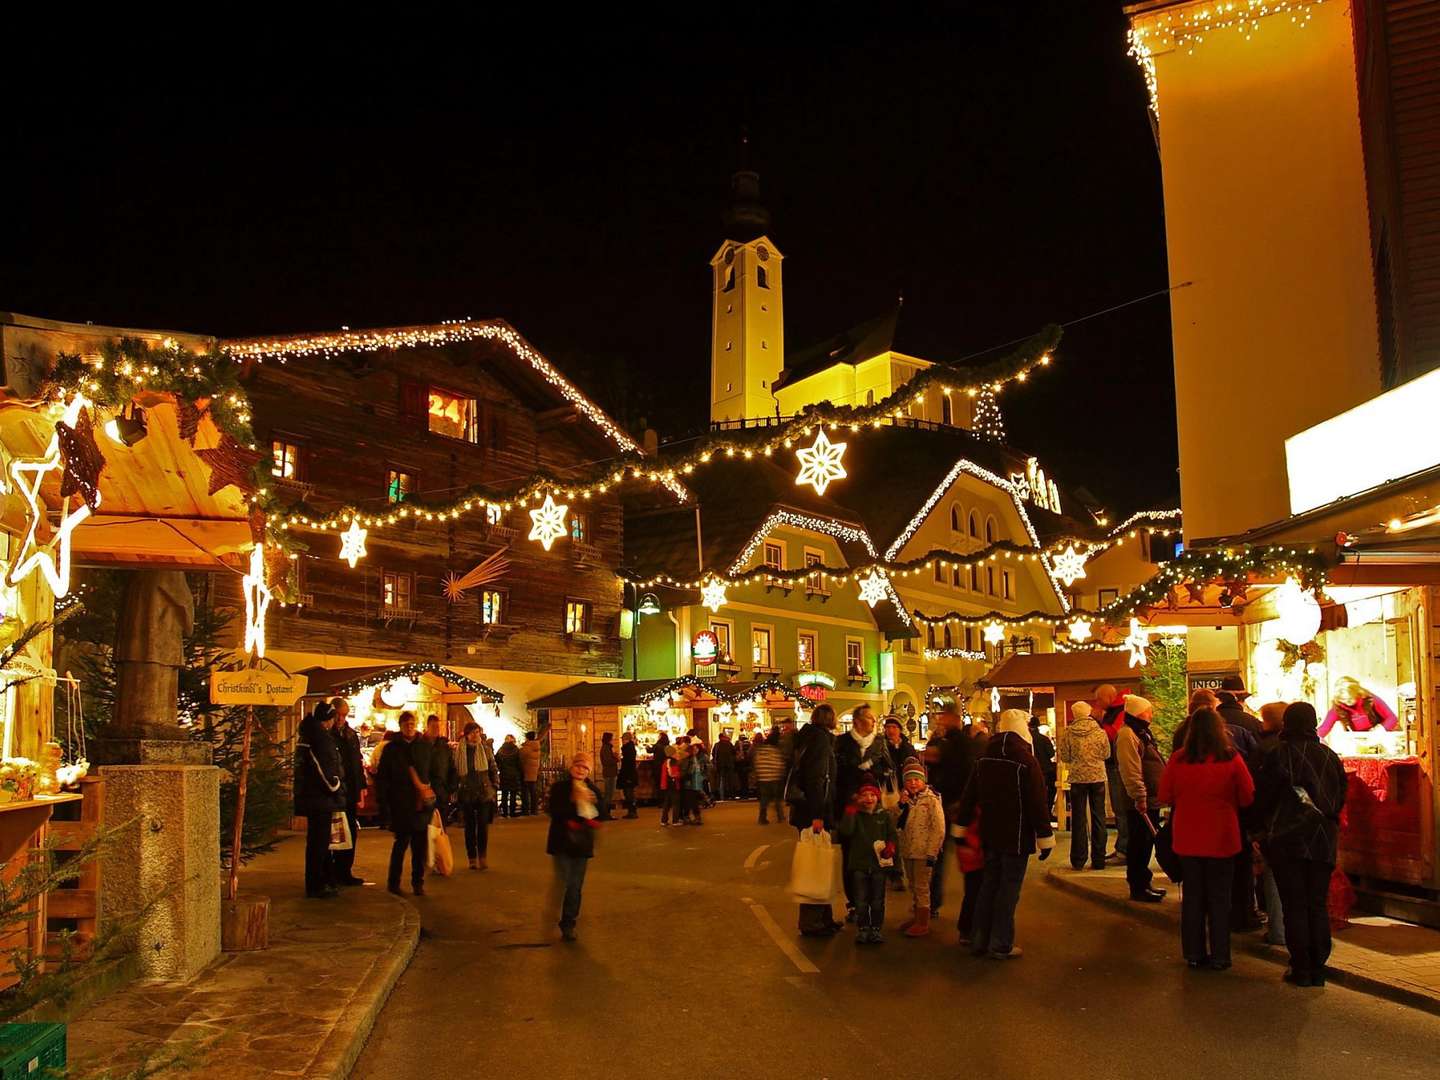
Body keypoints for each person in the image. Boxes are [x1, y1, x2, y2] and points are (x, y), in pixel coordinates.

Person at [1254, 702, 1347, 987]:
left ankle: (1301, 967)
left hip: (1287, 839)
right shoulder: (1330, 757)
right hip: (1322, 840)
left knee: (1294, 904)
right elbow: (1339, 798)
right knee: (1316, 903)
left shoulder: (1279, 755)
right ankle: (1318, 966)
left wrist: (1258, 831)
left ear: (1286, 724)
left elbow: (1264, 798)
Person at [1159, 707, 1256, 970]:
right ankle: (1221, 955)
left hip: (1188, 837)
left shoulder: (1179, 759)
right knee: (1220, 899)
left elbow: (1165, 794)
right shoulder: (1231, 757)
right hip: (1223, 836)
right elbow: (1248, 795)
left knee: (1193, 898)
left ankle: (1193, 953)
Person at [954, 709, 1054, 959]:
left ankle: (979, 938)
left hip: (990, 834)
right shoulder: (1026, 762)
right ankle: (1001, 943)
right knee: (1008, 890)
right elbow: (1037, 803)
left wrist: (961, 827)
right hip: (1017, 836)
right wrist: (1045, 838)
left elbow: (969, 797)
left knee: (989, 886)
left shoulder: (984, 758)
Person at [835, 705, 893, 921]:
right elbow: (837, 774)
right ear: (858, 721)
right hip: (850, 807)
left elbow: (888, 769)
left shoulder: (879, 742)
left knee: (874, 854)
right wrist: (851, 795)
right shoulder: (842, 742)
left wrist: (873, 780)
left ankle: (872, 902)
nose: (873, 721)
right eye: (869, 718)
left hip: (873, 805)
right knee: (851, 856)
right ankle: (854, 904)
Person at [924, 704, 980, 920]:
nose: (940, 721)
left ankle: (937, 902)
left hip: (954, 805)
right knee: (953, 855)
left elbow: (961, 772)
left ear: (953, 718)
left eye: (943, 717)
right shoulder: (953, 743)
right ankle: (937, 901)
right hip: (953, 804)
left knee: (945, 853)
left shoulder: (958, 744)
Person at [1115, 695, 1167, 903]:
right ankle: (1138, 886)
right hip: (1140, 801)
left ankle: (1144, 882)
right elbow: (1131, 768)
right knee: (1139, 843)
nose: (1151, 715)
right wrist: (1139, 795)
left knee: (1146, 843)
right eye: (1148, 711)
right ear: (1139, 713)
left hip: (1150, 798)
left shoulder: (1141, 733)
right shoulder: (1128, 735)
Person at [376, 711, 433, 897]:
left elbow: (431, 771)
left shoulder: (424, 746)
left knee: (419, 847)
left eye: (412, 723)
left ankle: (418, 883)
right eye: (406, 723)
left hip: (420, 804)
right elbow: (383, 777)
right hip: (400, 803)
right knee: (400, 845)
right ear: (400, 726)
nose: (409, 726)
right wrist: (384, 804)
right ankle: (394, 883)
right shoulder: (392, 749)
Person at [546, 752, 601, 942]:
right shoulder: (561, 788)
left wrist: (593, 803)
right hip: (562, 842)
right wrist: (573, 801)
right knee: (566, 882)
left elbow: (601, 813)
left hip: (581, 845)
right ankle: (557, 914)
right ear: (572, 768)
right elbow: (554, 811)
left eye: (585, 767)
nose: (581, 770)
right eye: (578, 766)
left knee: (575, 885)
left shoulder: (592, 789)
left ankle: (568, 922)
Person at [295, 703, 345, 899]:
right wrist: (335, 784)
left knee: (317, 842)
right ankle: (316, 884)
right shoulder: (319, 737)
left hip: (314, 797)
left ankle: (320, 880)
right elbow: (322, 766)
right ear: (329, 719)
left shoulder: (308, 734)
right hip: (320, 798)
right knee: (319, 843)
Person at [838, 779, 898, 944]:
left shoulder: (884, 816)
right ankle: (863, 928)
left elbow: (891, 834)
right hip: (859, 865)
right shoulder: (855, 816)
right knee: (861, 900)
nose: (869, 799)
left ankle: (876, 928)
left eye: (872, 795)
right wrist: (849, 811)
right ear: (859, 798)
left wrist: (891, 846)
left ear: (878, 798)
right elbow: (846, 831)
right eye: (865, 795)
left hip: (879, 865)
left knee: (878, 900)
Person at [1057, 700, 1110, 870]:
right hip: (1097, 777)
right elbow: (1107, 753)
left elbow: (1065, 756)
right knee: (1099, 817)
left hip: (1077, 778)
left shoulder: (1068, 733)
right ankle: (1099, 859)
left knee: (1078, 819)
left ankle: (1078, 859)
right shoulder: (1100, 732)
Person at [896, 758, 944, 937]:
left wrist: (933, 851)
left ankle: (923, 922)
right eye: (909, 780)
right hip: (908, 849)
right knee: (913, 885)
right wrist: (901, 804)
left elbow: (939, 827)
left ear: (923, 780)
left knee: (922, 886)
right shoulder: (907, 800)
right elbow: (896, 822)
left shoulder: (931, 799)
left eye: (916, 779)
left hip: (924, 851)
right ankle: (917, 916)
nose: (913, 783)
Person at [329, 697, 366, 886]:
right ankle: (332, 871)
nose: (340, 719)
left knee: (350, 831)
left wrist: (361, 789)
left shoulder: (351, 735)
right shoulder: (328, 735)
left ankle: (345, 870)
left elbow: (357, 764)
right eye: (338, 715)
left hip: (349, 791)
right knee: (334, 832)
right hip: (335, 791)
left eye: (343, 715)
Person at [454, 721, 499, 870]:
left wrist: (495, 786)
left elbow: (493, 767)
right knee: (469, 827)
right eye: (473, 733)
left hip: (483, 791)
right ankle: (472, 857)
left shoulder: (485, 750)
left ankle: (483, 856)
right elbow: (455, 771)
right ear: (466, 735)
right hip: (466, 791)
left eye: (477, 732)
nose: (475, 735)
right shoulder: (460, 750)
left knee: (483, 826)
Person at [1096, 685, 1128, 861]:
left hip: (1116, 765)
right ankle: (1122, 848)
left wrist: (1099, 722)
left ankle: (1124, 850)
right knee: (1119, 809)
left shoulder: (1119, 711)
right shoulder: (1118, 710)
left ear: (1108, 697)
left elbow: (1113, 734)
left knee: (1121, 808)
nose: (1097, 703)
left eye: (1099, 699)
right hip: (1114, 764)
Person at [1318, 677, 1399, 738]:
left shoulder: (1370, 699)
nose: (1347, 702)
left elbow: (1392, 718)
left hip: (1384, 737)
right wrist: (1314, 739)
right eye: (1343, 700)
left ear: (1356, 692)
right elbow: (1325, 727)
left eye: (1349, 699)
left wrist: (1381, 729)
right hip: (1361, 742)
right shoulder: (1338, 707)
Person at [424, 715, 457, 825]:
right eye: (433, 726)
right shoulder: (420, 745)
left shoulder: (443, 746)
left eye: (437, 726)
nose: (436, 729)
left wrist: (451, 788)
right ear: (427, 726)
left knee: (440, 827)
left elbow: (451, 767)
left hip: (442, 791)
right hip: (426, 791)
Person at [752, 730, 788, 825]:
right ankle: (780, 816)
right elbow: (779, 764)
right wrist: (781, 773)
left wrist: (758, 774)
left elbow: (757, 762)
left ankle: (762, 817)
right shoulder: (775, 751)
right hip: (774, 777)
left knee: (764, 798)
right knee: (777, 798)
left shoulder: (760, 750)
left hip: (763, 778)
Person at [1029, 716, 1057, 820]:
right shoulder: (1044, 739)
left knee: (1034, 792)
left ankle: (1036, 814)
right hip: (1046, 769)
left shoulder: (1025, 739)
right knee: (1050, 791)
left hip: (1031, 770)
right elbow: (1051, 754)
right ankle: (1047, 812)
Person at [496, 734, 522, 818]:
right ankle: (512, 812)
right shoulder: (516, 750)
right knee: (513, 793)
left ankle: (504, 812)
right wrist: (519, 772)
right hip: (514, 774)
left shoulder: (500, 750)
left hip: (504, 774)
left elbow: (496, 761)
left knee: (504, 793)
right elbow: (519, 763)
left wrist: (500, 769)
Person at [682, 739, 708, 825]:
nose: (695, 751)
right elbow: (687, 771)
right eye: (693, 749)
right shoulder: (691, 759)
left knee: (692, 801)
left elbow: (690, 771)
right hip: (692, 783)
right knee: (691, 802)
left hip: (693, 783)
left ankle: (692, 817)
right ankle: (693, 817)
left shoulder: (692, 759)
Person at [658, 742, 684, 827]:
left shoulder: (666, 762)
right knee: (676, 802)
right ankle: (675, 821)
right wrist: (680, 774)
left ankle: (664, 820)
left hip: (667, 785)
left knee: (667, 803)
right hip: (673, 784)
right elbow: (673, 774)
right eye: (675, 752)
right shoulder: (672, 762)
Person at [519, 731, 543, 815]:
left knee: (525, 792)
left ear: (527, 738)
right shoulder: (536, 747)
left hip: (526, 772)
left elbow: (521, 758)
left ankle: (525, 810)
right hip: (534, 772)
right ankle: (534, 810)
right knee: (533, 792)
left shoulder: (526, 748)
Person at [618, 730, 640, 818]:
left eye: (623, 739)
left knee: (629, 793)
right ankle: (632, 811)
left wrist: (621, 759)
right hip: (629, 774)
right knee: (629, 793)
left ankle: (632, 812)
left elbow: (628, 762)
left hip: (628, 774)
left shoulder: (628, 748)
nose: (622, 741)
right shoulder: (629, 748)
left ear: (626, 739)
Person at [598, 732, 618, 821]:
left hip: (610, 773)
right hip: (609, 773)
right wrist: (616, 759)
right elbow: (607, 761)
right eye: (612, 738)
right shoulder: (606, 748)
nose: (613, 739)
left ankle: (607, 813)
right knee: (608, 794)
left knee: (609, 794)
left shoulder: (608, 748)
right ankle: (606, 814)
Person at [713, 731, 737, 801]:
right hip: (729, 764)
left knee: (722, 780)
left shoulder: (717, 745)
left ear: (719, 738)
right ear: (723, 737)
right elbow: (734, 752)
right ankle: (732, 794)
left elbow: (714, 754)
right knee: (731, 779)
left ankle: (723, 795)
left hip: (720, 765)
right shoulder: (729, 744)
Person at [735, 731, 752, 798]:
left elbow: (734, 751)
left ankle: (743, 793)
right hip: (746, 763)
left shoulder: (737, 743)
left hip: (740, 763)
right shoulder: (748, 743)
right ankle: (746, 793)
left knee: (741, 779)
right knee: (746, 779)